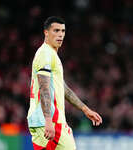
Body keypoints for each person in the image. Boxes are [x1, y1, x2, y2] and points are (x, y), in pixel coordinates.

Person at [27, 16, 102, 150]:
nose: (60, 34)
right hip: (49, 120)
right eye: (56, 30)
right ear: (46, 32)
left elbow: (63, 88)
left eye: (63, 31)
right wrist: (48, 121)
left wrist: (85, 109)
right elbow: (44, 89)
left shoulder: (51, 55)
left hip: (51, 120)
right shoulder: (45, 54)